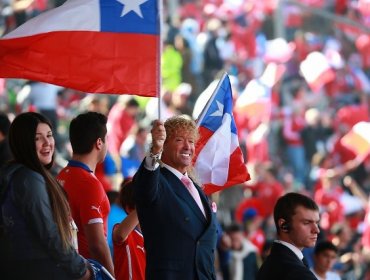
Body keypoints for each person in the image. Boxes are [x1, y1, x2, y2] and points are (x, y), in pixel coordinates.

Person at [0, 112, 91, 279]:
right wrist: (81, 270)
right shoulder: (29, 178)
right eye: (37, 138)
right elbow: (50, 235)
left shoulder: (15, 174)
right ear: (23, 143)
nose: (47, 143)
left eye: (49, 135)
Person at [133, 116, 218, 280]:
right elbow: (145, 188)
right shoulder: (155, 180)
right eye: (179, 140)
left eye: (191, 141)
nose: (188, 146)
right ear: (164, 144)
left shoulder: (196, 188)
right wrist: (155, 151)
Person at [57, 112, 114, 276]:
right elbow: (97, 244)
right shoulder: (89, 184)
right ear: (99, 143)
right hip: (86, 270)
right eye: (107, 139)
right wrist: (111, 276)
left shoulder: (61, 175)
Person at [257, 192, 320, 280]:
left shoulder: (273, 261)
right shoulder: (296, 272)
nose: (316, 230)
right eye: (306, 223)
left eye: (317, 223)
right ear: (284, 225)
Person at [113, 179, 145, 280]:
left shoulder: (155, 236)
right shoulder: (122, 230)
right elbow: (121, 235)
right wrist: (146, 203)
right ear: (129, 209)